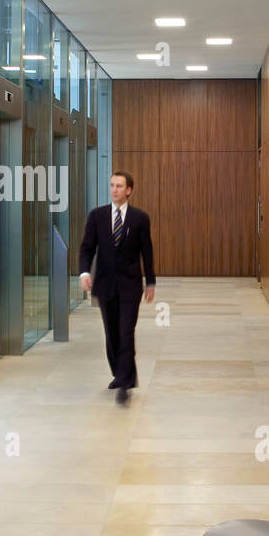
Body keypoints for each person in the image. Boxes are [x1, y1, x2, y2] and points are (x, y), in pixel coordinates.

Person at [79, 171, 156, 403]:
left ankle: (125, 383)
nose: (114, 189)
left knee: (125, 332)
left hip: (130, 286)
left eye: (119, 186)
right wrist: (84, 272)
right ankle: (119, 373)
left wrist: (150, 281)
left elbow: (147, 252)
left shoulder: (140, 219)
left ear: (129, 190)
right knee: (112, 334)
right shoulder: (97, 216)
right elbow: (87, 247)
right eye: (112, 185)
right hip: (104, 285)